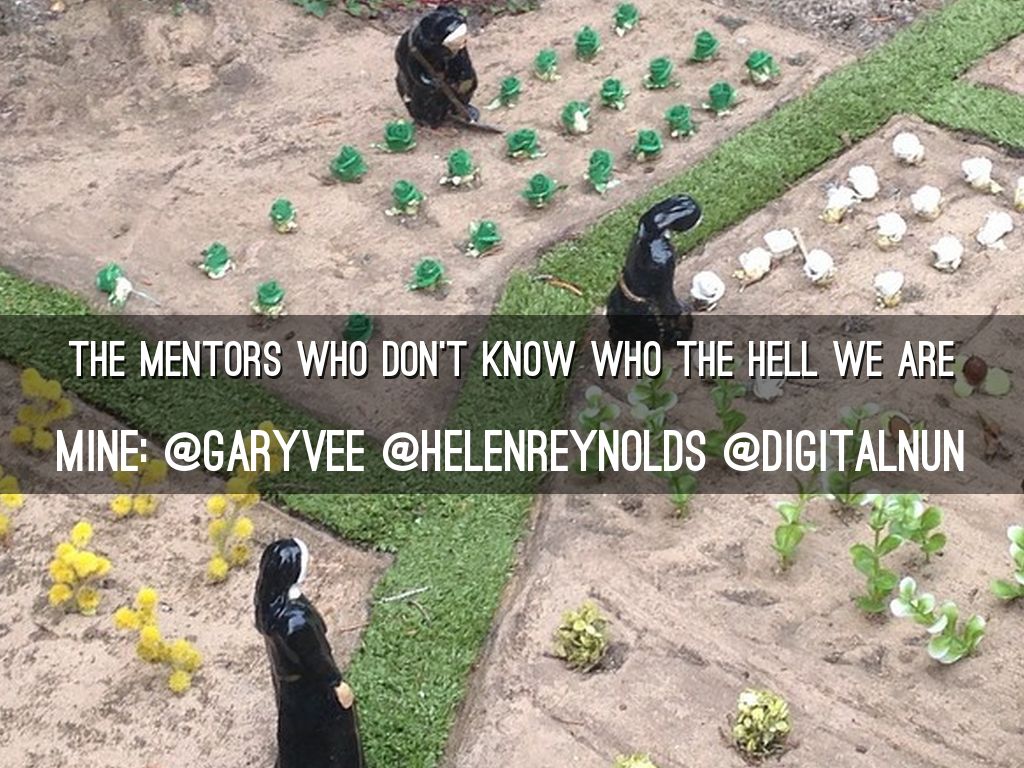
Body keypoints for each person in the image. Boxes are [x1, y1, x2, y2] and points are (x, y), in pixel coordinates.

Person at [255, 538, 365, 768]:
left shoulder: (271, 607)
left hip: (291, 689)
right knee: (329, 734)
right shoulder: (297, 622)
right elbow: (316, 658)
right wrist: (336, 684)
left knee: (297, 735)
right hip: (311, 690)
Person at [606, 196, 703, 347]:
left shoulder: (644, 232)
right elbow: (664, 298)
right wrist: (678, 311)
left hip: (620, 297)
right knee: (676, 330)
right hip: (639, 311)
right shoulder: (662, 258)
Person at [394, 6, 480, 127]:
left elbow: (463, 58)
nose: (463, 44)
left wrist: (465, 75)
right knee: (426, 94)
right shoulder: (416, 49)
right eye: (456, 43)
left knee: (467, 81)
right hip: (422, 66)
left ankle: (459, 106)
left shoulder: (457, 44)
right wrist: (432, 83)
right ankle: (428, 116)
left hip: (447, 53)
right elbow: (416, 73)